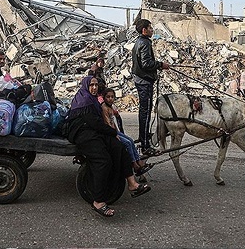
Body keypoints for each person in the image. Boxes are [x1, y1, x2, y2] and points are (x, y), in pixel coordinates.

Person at [63, 76, 151, 217]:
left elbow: (98, 123)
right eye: (91, 85)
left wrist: (112, 134)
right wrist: (112, 132)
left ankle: (132, 184)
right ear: (86, 86)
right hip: (81, 132)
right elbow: (93, 122)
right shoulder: (84, 99)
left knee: (120, 147)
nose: (94, 87)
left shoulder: (93, 100)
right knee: (102, 160)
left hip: (93, 130)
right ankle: (98, 201)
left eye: (96, 85)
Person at [131, 18, 170, 155]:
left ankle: (144, 136)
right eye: (150, 28)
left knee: (144, 111)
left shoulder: (138, 42)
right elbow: (146, 64)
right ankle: (145, 145)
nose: (152, 30)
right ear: (144, 30)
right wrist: (160, 65)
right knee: (146, 112)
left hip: (140, 80)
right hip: (144, 82)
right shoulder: (145, 43)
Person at [101, 88, 153, 176]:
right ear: (104, 98)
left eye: (112, 97)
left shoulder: (111, 107)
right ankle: (134, 164)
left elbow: (114, 121)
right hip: (110, 133)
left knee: (131, 141)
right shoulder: (104, 108)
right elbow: (108, 124)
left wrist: (118, 131)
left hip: (115, 131)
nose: (110, 99)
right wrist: (115, 135)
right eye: (108, 97)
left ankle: (139, 161)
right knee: (127, 143)